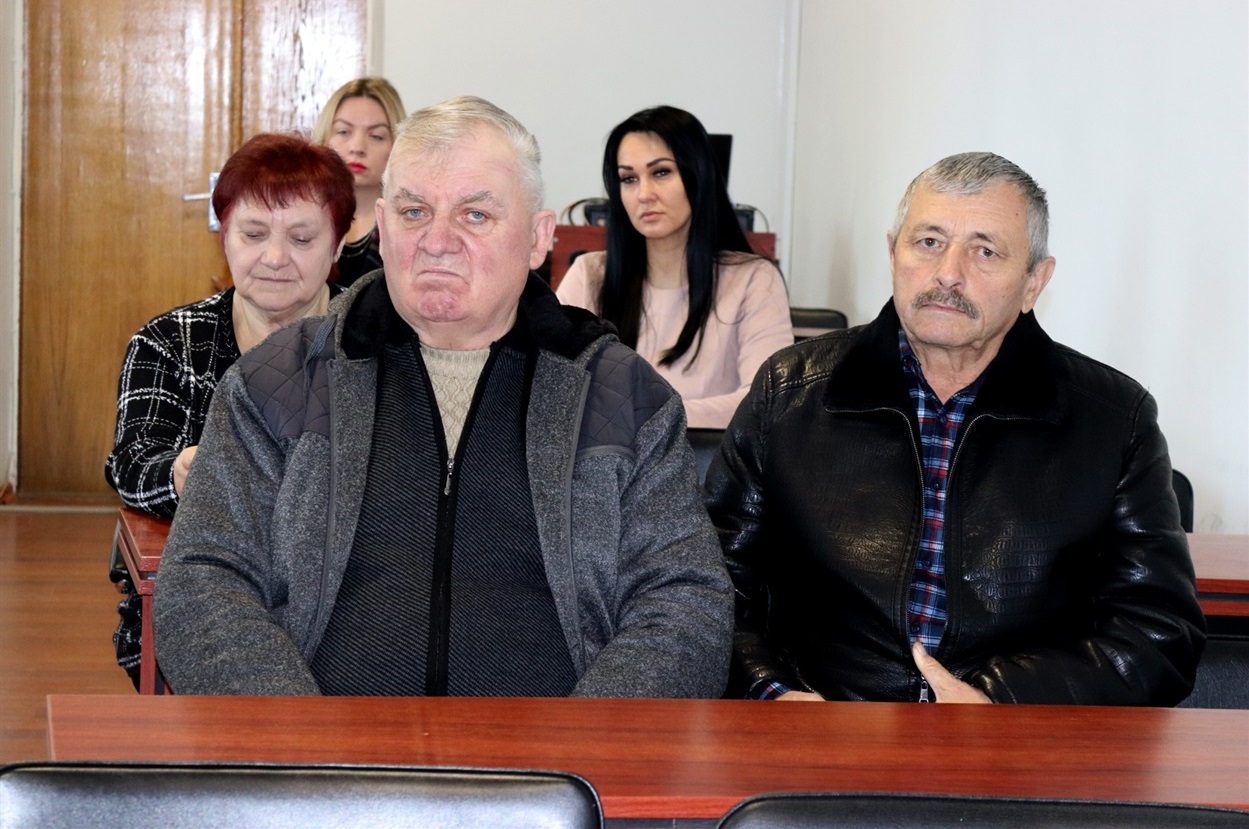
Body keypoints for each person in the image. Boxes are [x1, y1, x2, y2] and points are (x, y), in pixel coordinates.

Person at [152, 95, 733, 698]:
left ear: (538, 238)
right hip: (323, 743)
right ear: (381, 229)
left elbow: (684, 602)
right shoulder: (277, 381)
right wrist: (295, 736)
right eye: (414, 212)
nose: (437, 241)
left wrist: (582, 742)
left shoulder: (623, 397)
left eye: (475, 215)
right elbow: (204, 578)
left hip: (554, 748)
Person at [706, 151, 1205, 706]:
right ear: (892, 254)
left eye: (984, 251)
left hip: (1015, 740)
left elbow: (1159, 634)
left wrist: (1004, 699)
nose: (948, 273)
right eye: (929, 242)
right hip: (823, 724)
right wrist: (772, 692)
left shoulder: (1114, 419)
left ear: (1034, 282)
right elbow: (707, 586)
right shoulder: (789, 392)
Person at [106, 132, 354, 518]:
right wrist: (177, 474)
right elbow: (132, 464)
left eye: (301, 239)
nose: (274, 258)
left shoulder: (372, 337)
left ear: (337, 245)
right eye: (254, 235)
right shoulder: (170, 341)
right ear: (224, 238)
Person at [556, 106, 793, 429]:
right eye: (628, 179)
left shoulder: (754, 279)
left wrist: (641, 418)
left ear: (697, 175)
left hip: (709, 460)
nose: (644, 194)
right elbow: (553, 390)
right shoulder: (589, 274)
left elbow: (766, 403)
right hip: (605, 461)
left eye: (661, 172)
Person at [312, 77, 406, 287]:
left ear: (398, 145)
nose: (357, 147)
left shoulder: (406, 227)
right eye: (343, 132)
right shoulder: (302, 217)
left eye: (376, 136)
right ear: (324, 140)